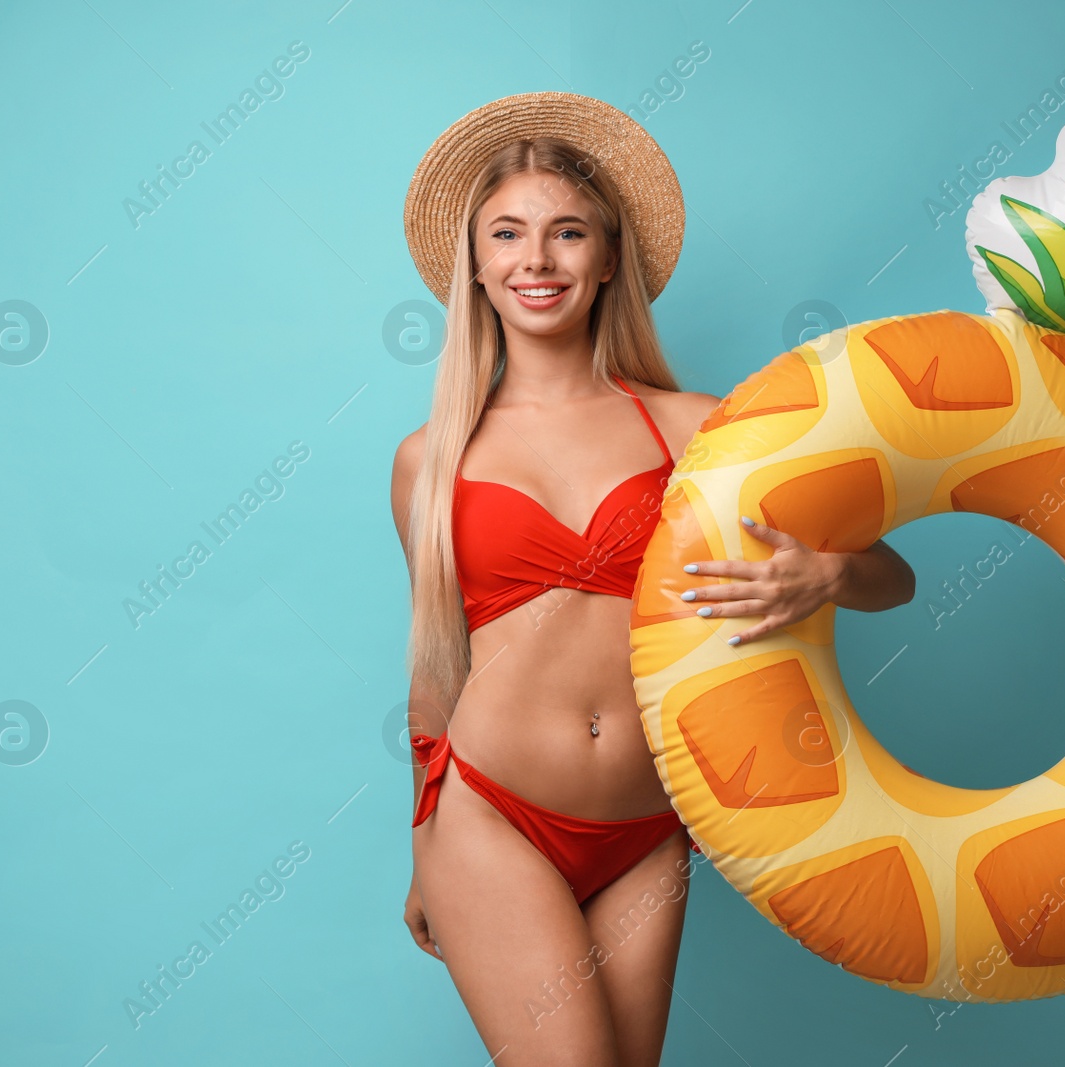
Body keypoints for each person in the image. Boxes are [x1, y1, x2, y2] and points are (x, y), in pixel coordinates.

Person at [389, 91, 915, 1066]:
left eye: (566, 232)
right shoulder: (432, 456)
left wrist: (825, 571)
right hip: (491, 814)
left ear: (609, 253)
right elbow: (434, 665)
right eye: (506, 234)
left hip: (650, 821)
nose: (535, 260)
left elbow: (894, 577)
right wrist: (424, 847)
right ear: (474, 262)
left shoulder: (698, 428)